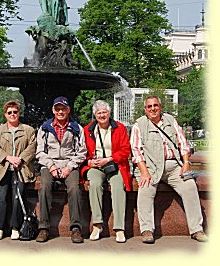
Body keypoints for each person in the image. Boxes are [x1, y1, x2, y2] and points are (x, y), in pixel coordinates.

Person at [130, 95, 208, 243]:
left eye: (155, 106)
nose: (153, 109)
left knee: (190, 186)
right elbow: (136, 151)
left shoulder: (171, 121)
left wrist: (186, 163)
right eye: (149, 107)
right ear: (145, 109)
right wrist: (144, 172)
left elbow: (182, 143)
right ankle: (147, 230)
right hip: (150, 167)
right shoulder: (138, 125)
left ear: (160, 107)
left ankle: (197, 229)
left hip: (173, 166)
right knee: (145, 189)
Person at [35, 96, 86, 243]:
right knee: (44, 187)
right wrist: (50, 166)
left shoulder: (76, 128)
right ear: (53, 110)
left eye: (63, 109)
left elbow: (82, 151)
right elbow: (40, 151)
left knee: (75, 189)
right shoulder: (45, 127)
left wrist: (69, 167)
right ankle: (43, 228)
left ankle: (76, 228)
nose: (60, 111)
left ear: (68, 110)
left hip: (69, 164)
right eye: (57, 109)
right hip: (49, 163)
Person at [80, 100, 132, 242]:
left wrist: (109, 159)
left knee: (117, 185)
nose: (102, 115)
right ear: (95, 115)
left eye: (104, 112)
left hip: (115, 165)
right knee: (95, 184)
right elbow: (81, 150)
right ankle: (97, 224)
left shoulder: (119, 128)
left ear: (109, 113)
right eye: (99, 113)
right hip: (96, 167)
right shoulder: (87, 130)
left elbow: (125, 150)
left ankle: (119, 228)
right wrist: (89, 161)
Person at [0, 100, 37, 240]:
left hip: (21, 169)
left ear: (19, 113)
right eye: (9, 112)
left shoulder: (28, 130)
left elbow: (32, 147)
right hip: (3, 168)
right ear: (5, 114)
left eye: (15, 112)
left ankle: (15, 227)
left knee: (18, 198)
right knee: (1, 198)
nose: (12, 115)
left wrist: (20, 159)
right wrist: (8, 158)